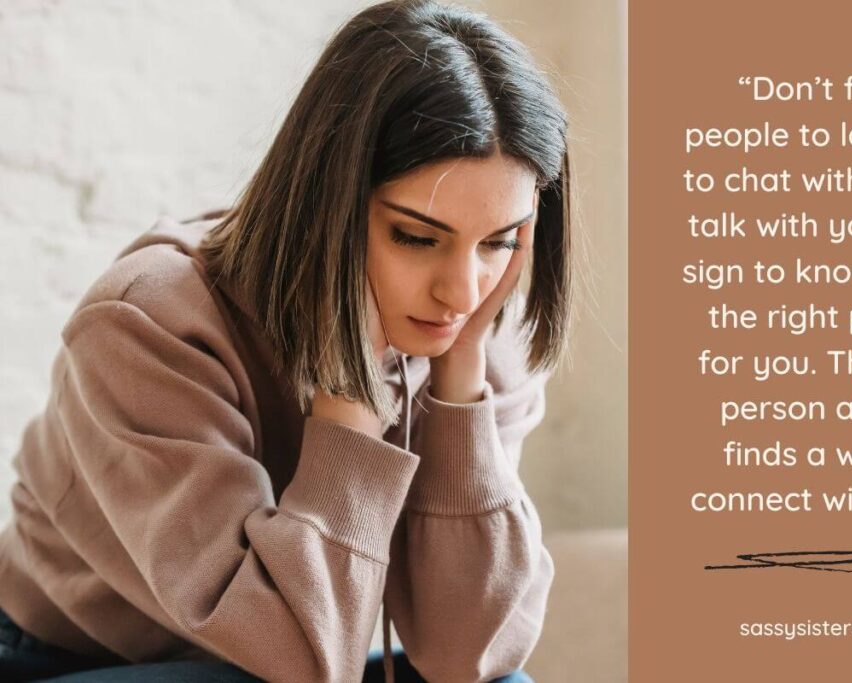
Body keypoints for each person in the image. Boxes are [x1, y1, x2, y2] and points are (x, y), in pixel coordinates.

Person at [0, 0, 575, 680]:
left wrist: (460, 393)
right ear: (325, 203)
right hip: (73, 659)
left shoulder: (478, 334)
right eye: (418, 237)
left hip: (300, 652)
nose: (464, 289)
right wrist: (351, 401)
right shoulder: (147, 325)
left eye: (500, 241)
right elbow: (296, 659)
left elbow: (469, 657)